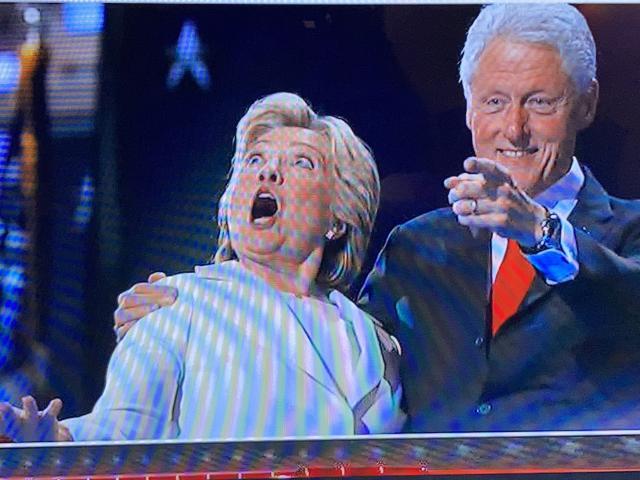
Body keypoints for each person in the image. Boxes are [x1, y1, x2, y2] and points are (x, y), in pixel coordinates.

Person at [118, 4, 640, 432]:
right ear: (468, 109)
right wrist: (183, 321)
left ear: (586, 104)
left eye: (540, 103)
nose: (514, 128)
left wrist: (541, 233)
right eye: (494, 102)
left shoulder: (628, 233)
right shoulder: (417, 247)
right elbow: (338, 357)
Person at [0, 92, 405, 441]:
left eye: (301, 163)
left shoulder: (374, 340)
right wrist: (53, 439)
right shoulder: (176, 304)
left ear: (336, 219)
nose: (269, 171)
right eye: (254, 160)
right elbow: (121, 431)